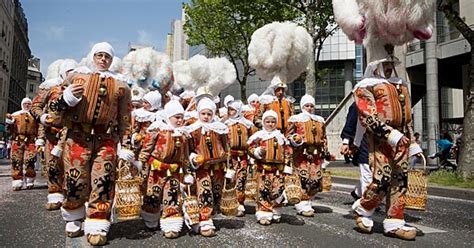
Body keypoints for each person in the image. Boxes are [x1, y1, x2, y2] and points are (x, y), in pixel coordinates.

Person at [54, 42, 132, 245]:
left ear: (112, 60)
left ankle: (98, 220)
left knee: (103, 179)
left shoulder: (121, 85)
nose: (103, 59)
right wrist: (66, 99)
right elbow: (54, 108)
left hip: (106, 139)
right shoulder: (76, 76)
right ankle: (74, 214)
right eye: (100, 55)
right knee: (76, 179)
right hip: (78, 136)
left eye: (107, 56)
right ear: (92, 56)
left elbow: (125, 117)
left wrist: (126, 145)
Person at [351, 55, 422, 240]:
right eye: (385, 64)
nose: (389, 67)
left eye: (391, 64)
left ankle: (395, 221)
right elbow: (367, 117)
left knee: (401, 179)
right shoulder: (365, 86)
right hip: (381, 139)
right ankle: (364, 208)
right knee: (382, 180)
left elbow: (407, 117)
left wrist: (412, 141)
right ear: (376, 66)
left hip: (402, 140)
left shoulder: (400, 84)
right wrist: (392, 135)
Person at [138, 100, 191, 238]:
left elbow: (185, 155)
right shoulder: (157, 130)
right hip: (156, 169)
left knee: (173, 194)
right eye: (176, 117)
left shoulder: (183, 135)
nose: (180, 121)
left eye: (182, 117)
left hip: (174, 171)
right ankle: (151, 217)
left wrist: (187, 172)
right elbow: (146, 149)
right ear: (168, 116)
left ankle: (171, 222)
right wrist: (140, 164)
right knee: (153, 194)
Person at [31, 59, 77, 210]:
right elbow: (36, 106)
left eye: (74, 72)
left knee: (72, 167)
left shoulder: (81, 90)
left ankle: (71, 196)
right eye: (69, 72)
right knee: (53, 165)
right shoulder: (52, 89)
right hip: (53, 134)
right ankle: (55, 194)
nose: (72, 75)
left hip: (72, 135)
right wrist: (42, 119)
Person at [187, 97, 230, 237]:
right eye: (203, 113)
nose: (206, 117)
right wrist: (193, 159)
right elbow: (189, 149)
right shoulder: (194, 130)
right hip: (202, 168)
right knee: (204, 191)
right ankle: (205, 219)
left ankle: (208, 215)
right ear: (198, 113)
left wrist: (229, 165)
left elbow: (226, 147)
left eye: (209, 114)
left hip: (218, 167)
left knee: (216, 192)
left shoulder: (219, 129)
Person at [286, 94, 329, 217]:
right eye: (307, 105)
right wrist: (295, 140)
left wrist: (325, 151)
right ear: (302, 106)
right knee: (303, 178)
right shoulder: (296, 119)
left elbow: (324, 137)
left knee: (315, 180)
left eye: (311, 106)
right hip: (301, 153)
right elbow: (288, 136)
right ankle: (302, 204)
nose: (309, 108)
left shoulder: (319, 120)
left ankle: (308, 199)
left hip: (316, 154)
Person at [248, 110, 292, 225]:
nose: (270, 124)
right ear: (263, 122)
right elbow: (250, 148)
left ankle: (276, 209)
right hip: (263, 169)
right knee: (263, 190)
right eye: (267, 122)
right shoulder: (258, 136)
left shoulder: (280, 136)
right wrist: (256, 151)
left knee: (277, 190)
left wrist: (287, 164)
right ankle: (264, 212)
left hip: (278, 170)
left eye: (273, 122)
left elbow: (287, 151)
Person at [224, 99, 255, 217]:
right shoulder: (225, 124)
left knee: (241, 179)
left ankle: (240, 202)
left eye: (232, 110)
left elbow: (252, 141)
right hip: (229, 157)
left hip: (242, 156)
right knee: (230, 179)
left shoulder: (247, 125)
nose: (230, 112)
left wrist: (252, 154)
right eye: (229, 110)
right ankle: (229, 201)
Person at [5, 98, 38, 190]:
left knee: (30, 161)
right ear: (22, 104)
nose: (27, 105)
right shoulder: (15, 115)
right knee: (16, 161)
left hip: (31, 141)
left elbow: (39, 129)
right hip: (17, 141)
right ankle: (17, 181)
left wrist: (40, 139)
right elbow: (8, 130)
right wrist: (9, 123)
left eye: (28, 103)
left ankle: (30, 180)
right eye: (25, 104)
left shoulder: (34, 116)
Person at [340, 102, 370, 201]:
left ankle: (358, 192)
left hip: (381, 142)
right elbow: (351, 122)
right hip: (364, 141)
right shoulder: (358, 103)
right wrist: (346, 141)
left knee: (378, 174)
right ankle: (366, 202)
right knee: (368, 173)